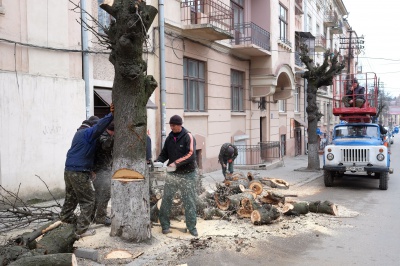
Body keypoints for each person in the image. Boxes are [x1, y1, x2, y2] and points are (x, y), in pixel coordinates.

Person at [60, 104, 114, 238]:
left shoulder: (78, 133)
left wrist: (91, 170)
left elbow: (83, 154)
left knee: (71, 199)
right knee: (89, 200)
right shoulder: (88, 133)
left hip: (69, 170)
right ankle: (81, 231)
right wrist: (111, 114)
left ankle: (64, 220)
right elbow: (100, 127)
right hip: (79, 172)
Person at [155, 115, 198, 237]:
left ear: (179, 125)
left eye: (173, 125)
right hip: (172, 174)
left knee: (189, 200)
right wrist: (158, 162)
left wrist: (176, 163)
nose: (171, 127)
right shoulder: (169, 138)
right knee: (167, 198)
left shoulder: (188, 136)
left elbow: (191, 155)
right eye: (170, 125)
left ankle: (192, 227)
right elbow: (164, 153)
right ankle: (165, 225)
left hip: (187, 174)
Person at [92, 121, 115, 226]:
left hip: (104, 168)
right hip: (100, 169)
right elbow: (106, 146)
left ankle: (92, 216)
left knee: (98, 194)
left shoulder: (105, 135)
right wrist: (114, 137)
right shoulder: (102, 136)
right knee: (105, 193)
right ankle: (100, 216)